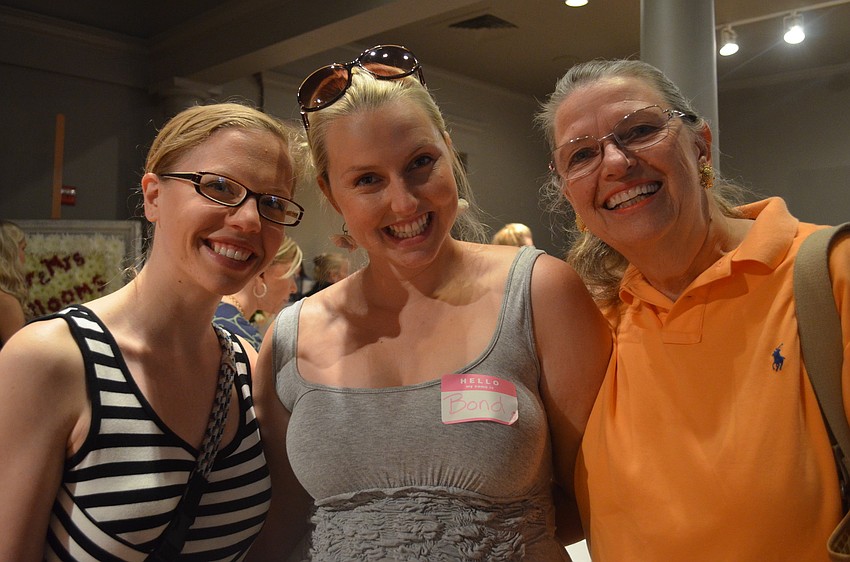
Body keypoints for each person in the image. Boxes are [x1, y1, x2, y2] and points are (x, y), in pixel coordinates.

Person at [249, 44, 611, 561]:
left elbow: (597, 500)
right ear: (332, 194)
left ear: (448, 150)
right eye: (368, 180)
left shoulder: (542, 293)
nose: (404, 202)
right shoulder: (290, 336)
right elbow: (283, 524)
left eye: (420, 163)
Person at [536, 58, 850, 561]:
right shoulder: (590, 325)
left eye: (638, 130)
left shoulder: (831, 277)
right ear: (570, 194)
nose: (615, 163)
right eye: (582, 155)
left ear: (699, 143)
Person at [0, 102, 307, 560]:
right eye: (220, 187)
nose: (248, 220)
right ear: (153, 196)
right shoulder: (51, 360)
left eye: (272, 203)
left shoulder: (249, 365)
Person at [215, 235, 303, 348]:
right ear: (262, 273)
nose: (294, 288)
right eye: (292, 275)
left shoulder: (211, 312)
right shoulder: (245, 339)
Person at [0, 220, 28, 349]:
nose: (25, 257)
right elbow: (19, 356)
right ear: (10, 254)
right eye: (22, 249)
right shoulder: (5, 302)